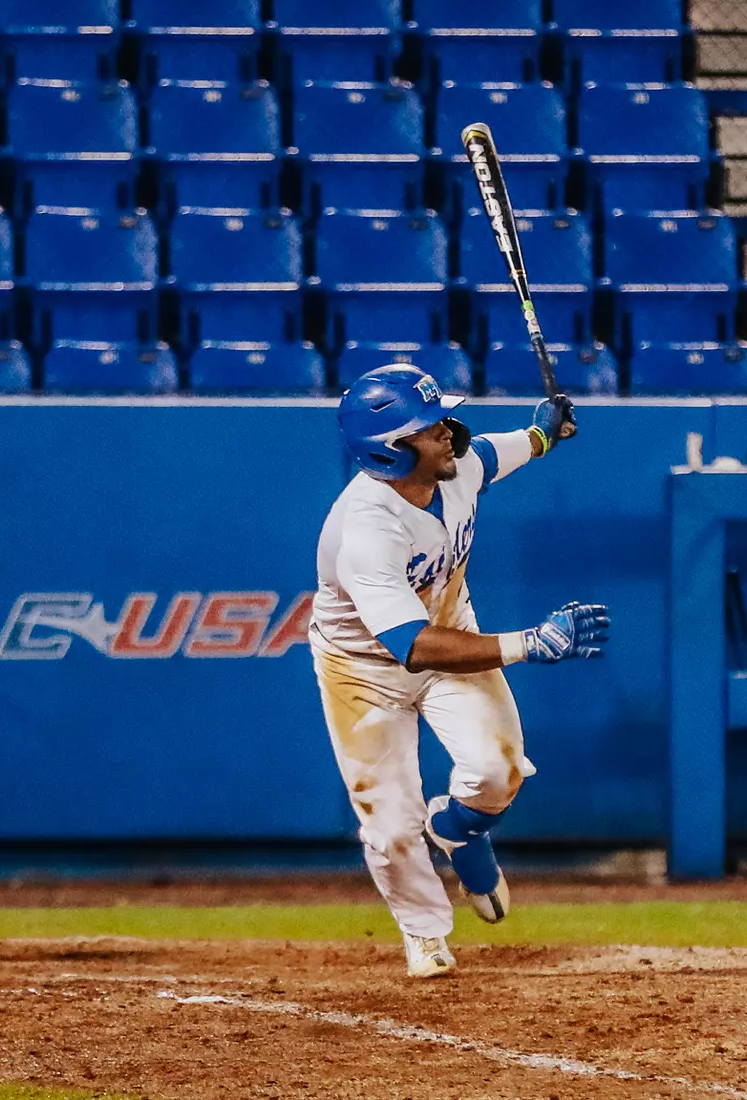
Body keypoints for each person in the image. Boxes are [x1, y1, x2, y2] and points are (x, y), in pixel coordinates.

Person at [311, 365, 609, 978]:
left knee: (499, 772)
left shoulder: (459, 463)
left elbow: (504, 451)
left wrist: (544, 432)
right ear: (391, 450)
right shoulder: (365, 528)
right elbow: (408, 644)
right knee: (391, 827)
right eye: (428, 426)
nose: (447, 430)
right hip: (366, 671)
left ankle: (458, 830)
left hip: (453, 641)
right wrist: (530, 642)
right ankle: (424, 933)